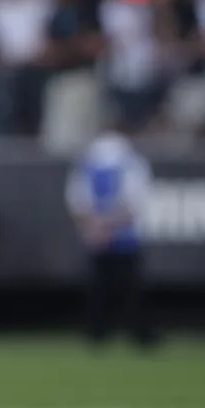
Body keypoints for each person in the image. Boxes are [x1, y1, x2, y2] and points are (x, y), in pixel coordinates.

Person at [65, 127, 157, 349]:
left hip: (106, 236)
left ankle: (102, 334)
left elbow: (78, 201)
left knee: (107, 288)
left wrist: (95, 227)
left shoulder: (89, 163)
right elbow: (134, 200)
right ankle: (128, 334)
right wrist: (103, 225)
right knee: (120, 288)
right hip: (120, 235)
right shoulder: (130, 162)